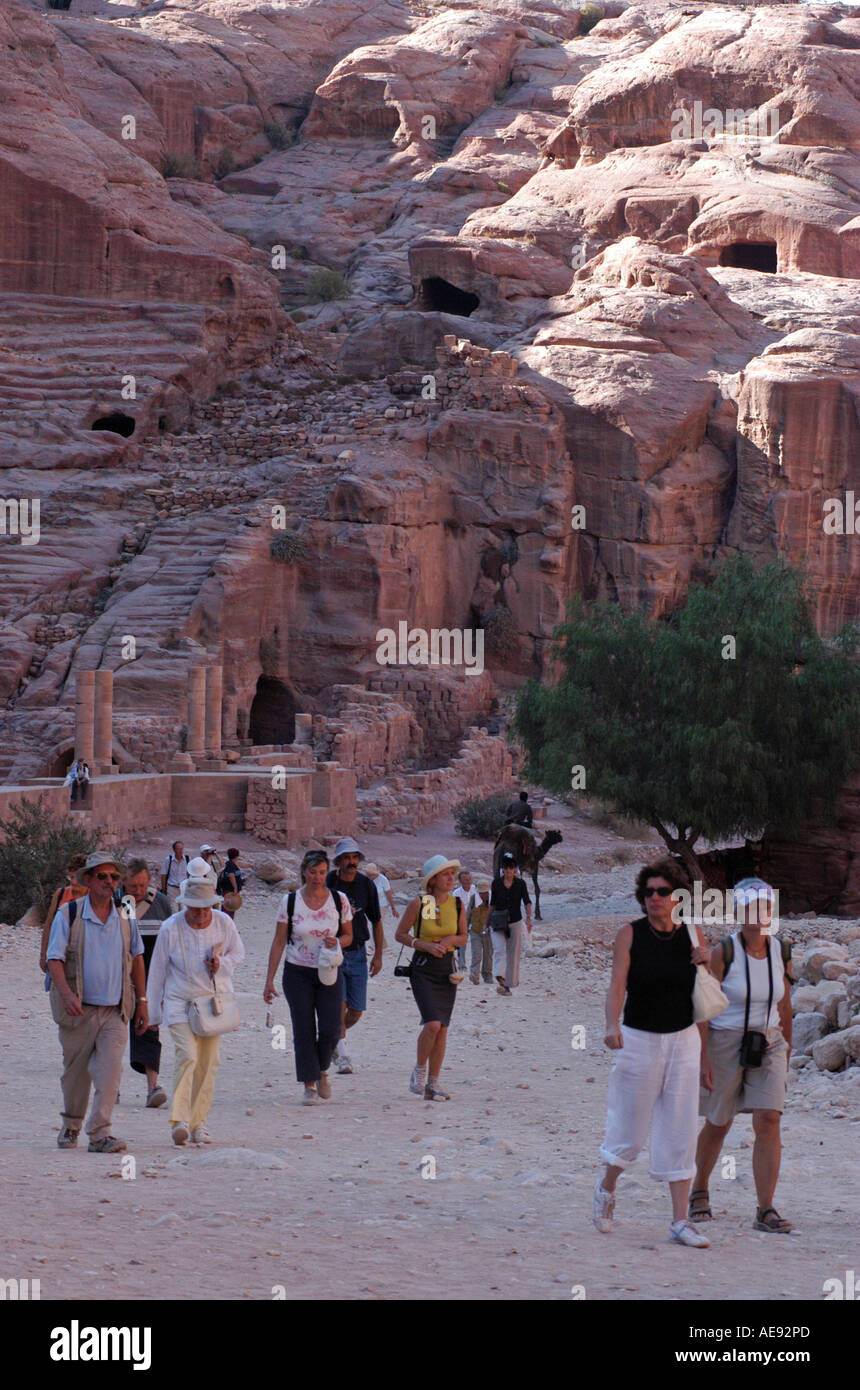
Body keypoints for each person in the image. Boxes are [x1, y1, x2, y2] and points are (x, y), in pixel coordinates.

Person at [593, 859, 712, 1248]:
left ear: (677, 897)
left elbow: (704, 998)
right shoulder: (630, 934)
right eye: (649, 893)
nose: (655, 899)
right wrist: (611, 1025)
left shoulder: (694, 936)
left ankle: (680, 1221)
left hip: (684, 1040)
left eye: (662, 892)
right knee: (629, 1125)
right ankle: (607, 1188)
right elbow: (617, 985)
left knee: (680, 1129)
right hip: (639, 1039)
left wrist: (707, 965)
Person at [689, 878, 794, 1233]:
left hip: (770, 1041)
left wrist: (788, 1052)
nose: (758, 913)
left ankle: (766, 1208)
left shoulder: (781, 950)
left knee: (769, 1118)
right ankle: (699, 1190)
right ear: (737, 911)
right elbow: (704, 1004)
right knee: (720, 1121)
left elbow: (785, 1004)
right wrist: (703, 1058)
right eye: (750, 906)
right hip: (726, 1041)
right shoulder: (724, 952)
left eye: (764, 906)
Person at [45, 850, 148, 1153]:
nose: (109, 881)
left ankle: (100, 1133)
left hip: (115, 1011)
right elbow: (54, 959)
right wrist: (66, 996)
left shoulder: (126, 914)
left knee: (110, 1071)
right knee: (75, 1076)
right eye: (102, 876)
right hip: (78, 1010)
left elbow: (138, 958)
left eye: (114, 877)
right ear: (87, 879)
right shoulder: (71, 913)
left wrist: (142, 1001)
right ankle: (71, 1124)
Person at [147, 858, 245, 1145]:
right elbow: (157, 972)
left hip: (213, 1004)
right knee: (187, 1056)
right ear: (185, 905)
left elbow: (238, 954)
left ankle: (199, 1122)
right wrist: (153, 1013)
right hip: (179, 1001)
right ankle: (180, 1119)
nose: (200, 916)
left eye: (204, 910)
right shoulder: (170, 928)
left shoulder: (224, 923)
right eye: (194, 909)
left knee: (208, 1062)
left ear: (212, 906)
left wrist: (222, 964)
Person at [263, 850, 353, 1106]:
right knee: (303, 1029)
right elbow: (280, 940)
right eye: (313, 872)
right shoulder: (290, 901)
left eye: (322, 872)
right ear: (304, 871)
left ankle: (321, 1067)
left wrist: (338, 941)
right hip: (297, 972)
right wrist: (269, 979)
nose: (317, 877)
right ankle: (309, 1085)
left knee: (331, 1028)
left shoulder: (339, 900)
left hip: (328, 970)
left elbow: (349, 935)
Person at [395, 855, 467, 1102]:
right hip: (424, 969)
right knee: (433, 1023)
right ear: (433, 879)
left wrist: (448, 941)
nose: (451, 878)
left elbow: (463, 937)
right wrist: (424, 945)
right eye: (446, 874)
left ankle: (433, 1085)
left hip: (447, 969)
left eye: (452, 874)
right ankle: (419, 1071)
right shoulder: (423, 903)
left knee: (443, 1029)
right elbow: (402, 935)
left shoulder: (456, 904)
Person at [326, 837, 382, 1075]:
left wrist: (378, 954)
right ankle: (344, 1056)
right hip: (334, 952)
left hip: (358, 953)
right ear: (338, 861)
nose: (351, 862)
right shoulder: (328, 881)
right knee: (340, 1004)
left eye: (355, 857)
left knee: (356, 1011)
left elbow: (376, 920)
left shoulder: (366, 885)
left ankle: (332, 1038)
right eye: (347, 858)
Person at [121, 858, 174, 1108]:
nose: (138, 891)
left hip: (152, 980)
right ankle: (110, 1087)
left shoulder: (162, 902)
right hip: (119, 980)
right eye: (133, 886)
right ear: (124, 883)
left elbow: (170, 944)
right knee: (113, 1034)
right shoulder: (115, 902)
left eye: (142, 885)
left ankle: (153, 1088)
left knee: (150, 1028)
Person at [489, 852, 532, 995]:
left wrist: (529, 919)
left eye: (510, 868)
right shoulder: (496, 883)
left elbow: (527, 902)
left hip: (515, 922)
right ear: (502, 869)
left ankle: (508, 985)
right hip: (498, 922)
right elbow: (492, 904)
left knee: (513, 954)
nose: (508, 871)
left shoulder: (520, 884)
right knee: (499, 949)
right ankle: (500, 978)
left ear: (515, 869)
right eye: (506, 868)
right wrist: (485, 922)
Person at [40, 855, 88, 974]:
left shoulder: (94, 897)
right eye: (70, 877)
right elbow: (49, 925)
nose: (73, 882)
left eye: (76, 878)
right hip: (59, 953)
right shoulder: (61, 894)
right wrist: (43, 955)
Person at [453, 869, 481, 971]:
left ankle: (475, 967)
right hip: (462, 921)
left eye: (469, 879)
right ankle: (462, 965)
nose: (468, 882)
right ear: (460, 881)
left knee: (476, 945)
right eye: (465, 880)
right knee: (461, 944)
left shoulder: (476, 890)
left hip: (475, 921)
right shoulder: (456, 893)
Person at [468, 879, 493, 985]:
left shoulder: (493, 901)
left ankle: (487, 975)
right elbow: (468, 914)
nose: (482, 895)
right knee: (476, 953)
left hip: (489, 932)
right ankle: (474, 975)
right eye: (481, 893)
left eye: (484, 893)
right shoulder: (473, 899)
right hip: (475, 931)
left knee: (488, 955)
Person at [364, 863, 395, 947]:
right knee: (377, 924)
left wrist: (393, 908)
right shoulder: (367, 880)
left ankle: (372, 946)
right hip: (373, 905)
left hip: (383, 905)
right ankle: (384, 945)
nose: (369, 876)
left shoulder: (383, 879)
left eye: (370, 874)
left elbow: (389, 894)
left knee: (377, 924)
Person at [216, 847, 244, 920]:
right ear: (237, 856)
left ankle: (228, 923)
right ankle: (226, 923)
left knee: (231, 906)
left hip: (230, 890)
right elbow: (231, 876)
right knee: (228, 906)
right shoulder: (231, 865)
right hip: (230, 890)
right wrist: (235, 888)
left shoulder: (230, 864)